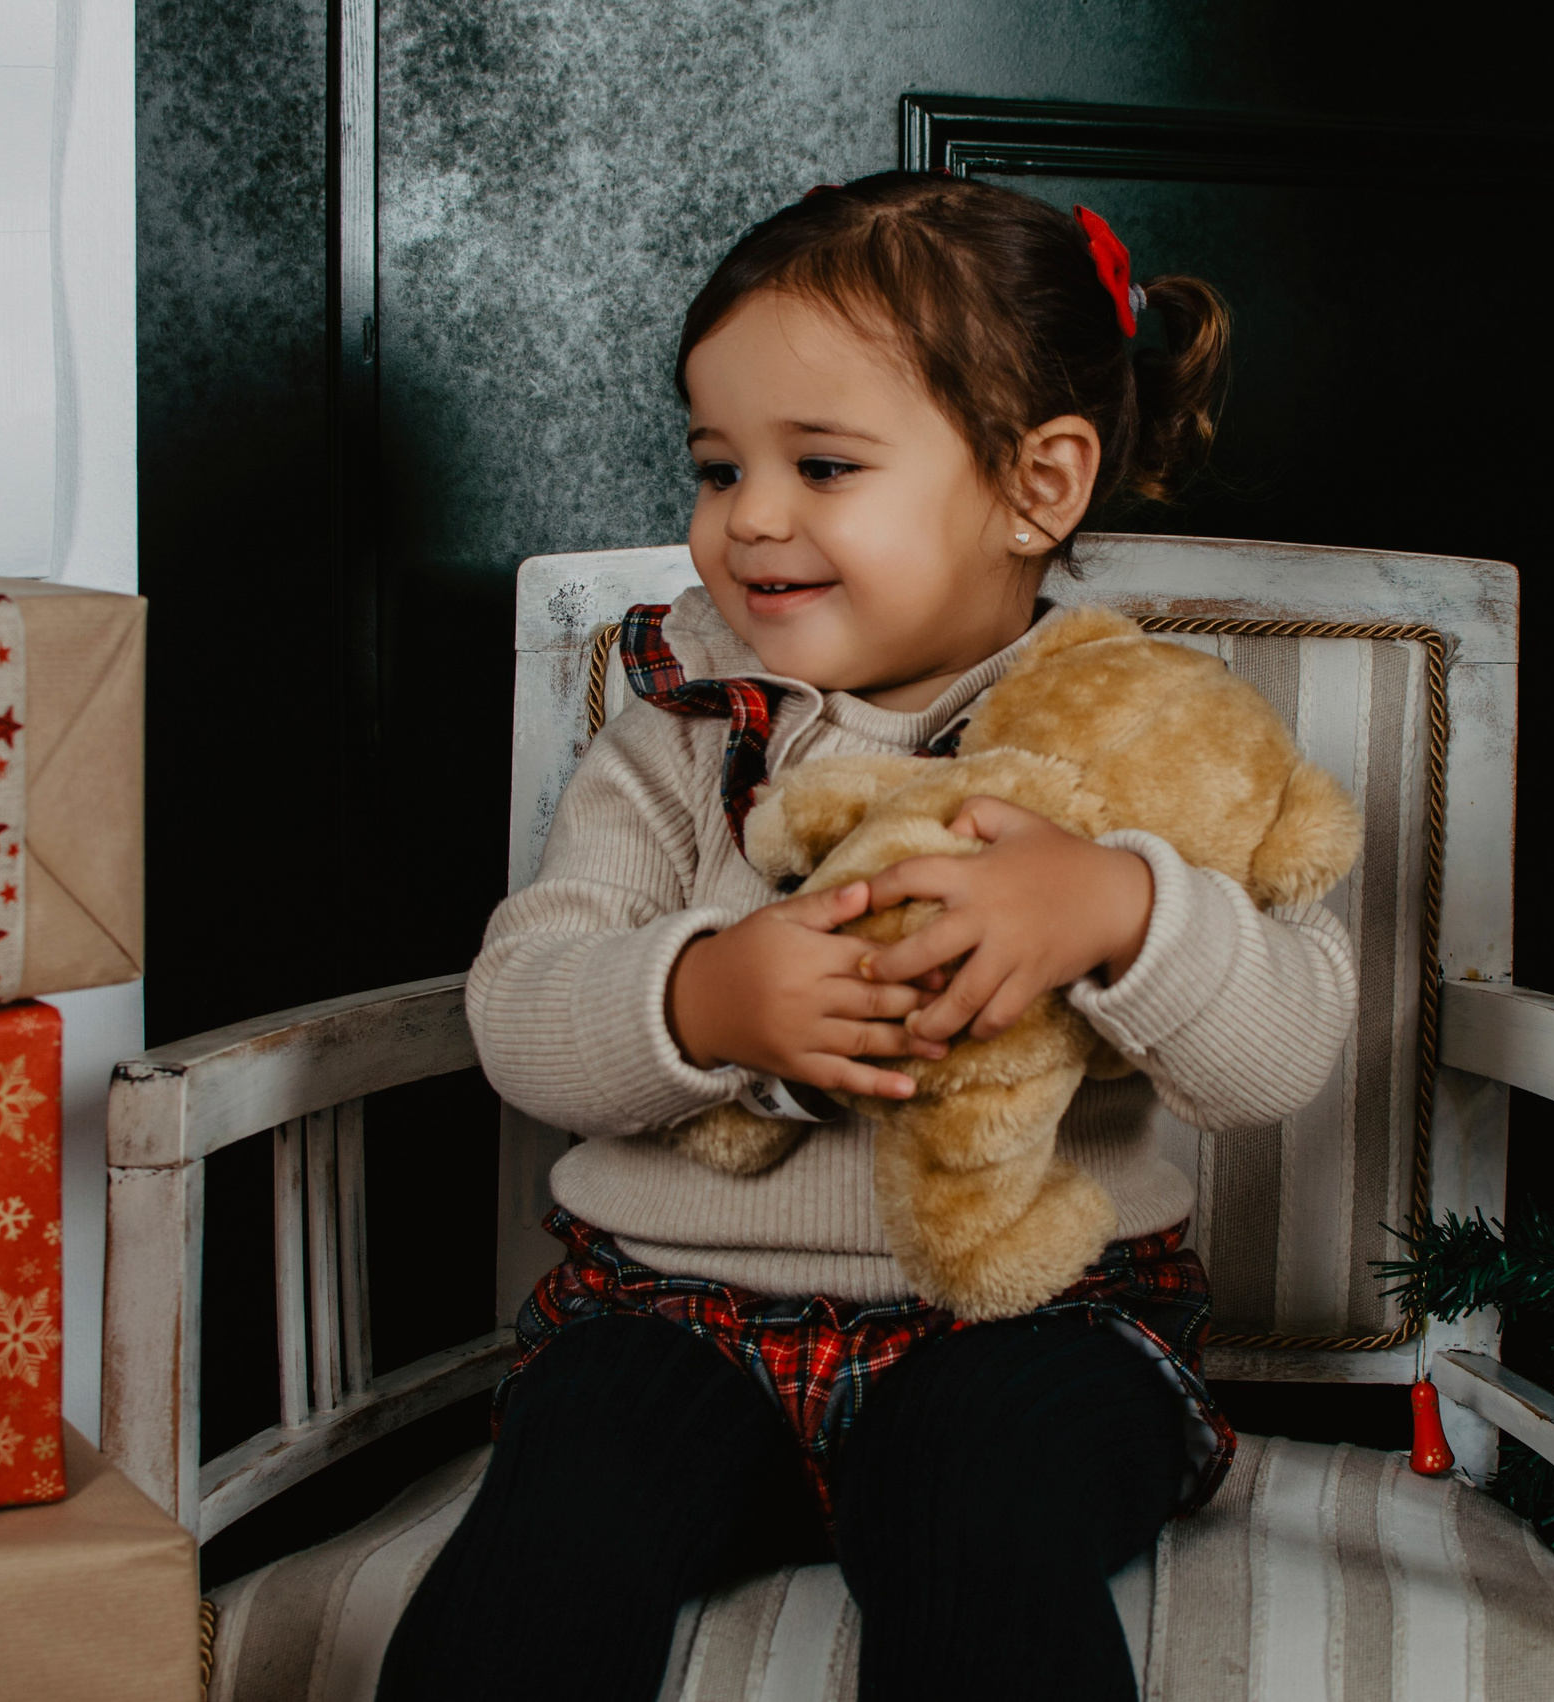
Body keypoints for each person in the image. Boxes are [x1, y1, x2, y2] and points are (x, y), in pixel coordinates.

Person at [381, 171, 1357, 1702]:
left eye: (823, 464)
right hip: (669, 1316)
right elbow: (520, 1007)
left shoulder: (1143, 743)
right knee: (550, 1543)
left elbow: (1286, 1042)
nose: (749, 517)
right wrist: (704, 999)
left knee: (979, 1523)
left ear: (1038, 486)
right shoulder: (680, 734)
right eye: (717, 466)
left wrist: (1121, 907)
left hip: (1036, 1327)